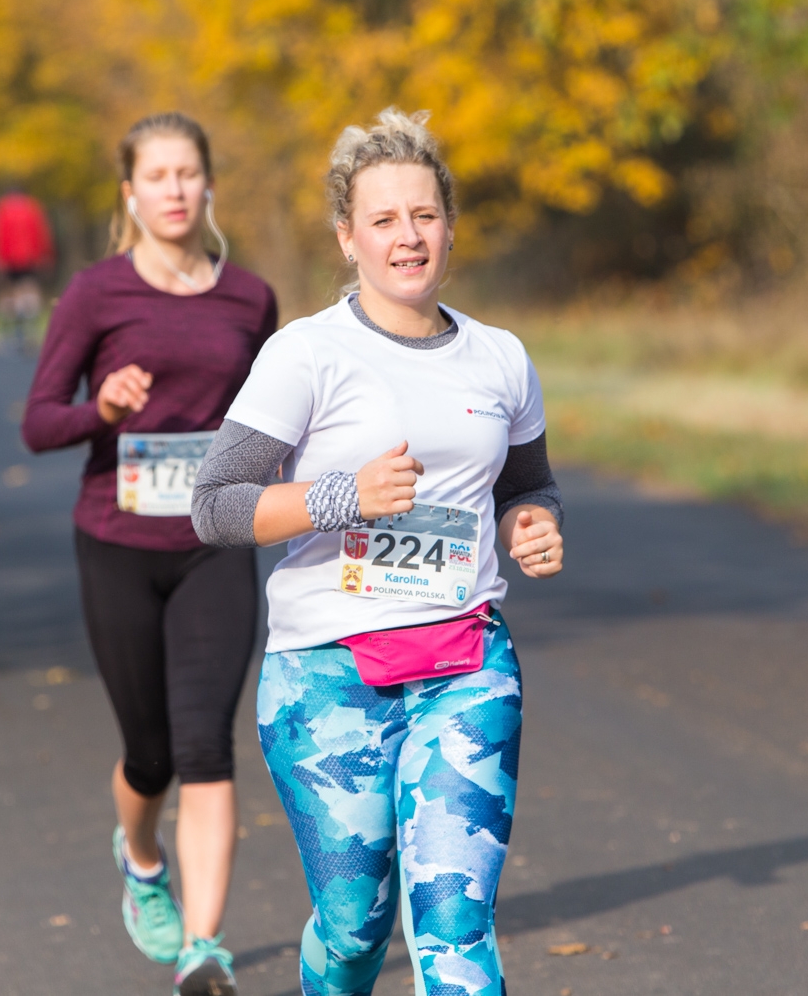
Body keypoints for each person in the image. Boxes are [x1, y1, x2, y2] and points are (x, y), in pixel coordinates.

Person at [190, 108, 565, 996]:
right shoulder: (307, 354)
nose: (409, 236)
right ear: (347, 238)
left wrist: (533, 523)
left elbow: (528, 486)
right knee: (356, 926)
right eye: (385, 219)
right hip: (327, 676)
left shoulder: (501, 358)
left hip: (466, 664)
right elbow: (213, 505)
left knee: (454, 927)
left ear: (449, 226)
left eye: (425, 215)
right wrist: (338, 496)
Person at [21, 113, 277, 996]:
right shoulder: (95, 294)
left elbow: (273, 422)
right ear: (129, 192)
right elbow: (38, 420)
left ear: (209, 186)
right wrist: (103, 409)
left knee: (207, 741)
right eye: (156, 175)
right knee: (152, 753)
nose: (173, 189)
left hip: (215, 541)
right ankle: (139, 855)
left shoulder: (250, 299)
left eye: (188, 173)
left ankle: (204, 949)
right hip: (118, 543)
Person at [0, 188, 56, 352]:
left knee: (8, 294)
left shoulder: (1, 208)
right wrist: (46, 255)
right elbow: (43, 233)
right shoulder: (33, 207)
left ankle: (12, 333)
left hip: (6, 259)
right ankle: (28, 332)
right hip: (30, 257)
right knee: (28, 292)